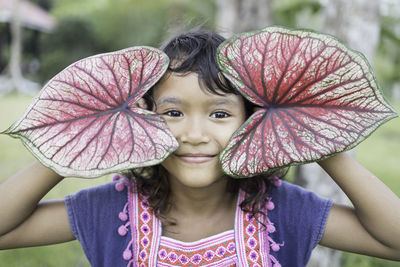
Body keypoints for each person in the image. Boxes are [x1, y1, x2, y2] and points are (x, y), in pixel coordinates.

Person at [0, 30, 400, 267]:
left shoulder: (283, 210)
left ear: (254, 119)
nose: (194, 133)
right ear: (143, 116)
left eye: (220, 115)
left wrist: (313, 136)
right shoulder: (113, 210)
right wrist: (81, 140)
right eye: (173, 112)